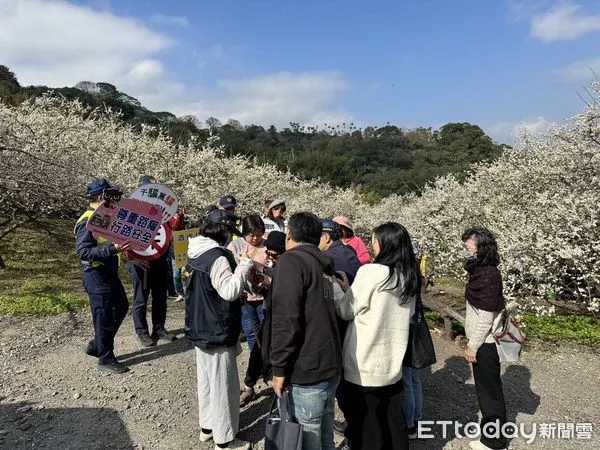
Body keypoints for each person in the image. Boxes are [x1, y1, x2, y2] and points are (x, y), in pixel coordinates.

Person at [336, 222, 419, 450]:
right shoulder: (408, 277)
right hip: (392, 365)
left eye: (374, 240)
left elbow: (345, 311)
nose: (371, 245)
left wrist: (342, 290)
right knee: (393, 422)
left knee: (367, 426)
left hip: (364, 364)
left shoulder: (371, 272)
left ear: (384, 244)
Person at [266, 212, 342, 450]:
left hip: (306, 368)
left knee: (308, 439)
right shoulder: (323, 264)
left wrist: (278, 368)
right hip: (329, 364)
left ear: (289, 235)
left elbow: (286, 320)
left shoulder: (292, 261)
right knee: (325, 436)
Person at [185, 214, 254, 450]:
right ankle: (225, 440)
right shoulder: (217, 257)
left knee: (206, 382)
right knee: (223, 386)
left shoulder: (196, 250)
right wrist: (245, 265)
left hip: (200, 325)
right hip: (216, 327)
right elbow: (229, 291)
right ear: (222, 232)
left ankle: (208, 428)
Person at [75, 178, 132, 374]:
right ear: (101, 196)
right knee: (103, 316)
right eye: (109, 195)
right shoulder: (87, 221)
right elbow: (84, 252)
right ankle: (105, 358)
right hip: (96, 274)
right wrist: (112, 249)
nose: (114, 199)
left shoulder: (106, 215)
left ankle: (98, 344)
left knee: (121, 307)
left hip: (109, 273)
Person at [462, 227, 507, 450]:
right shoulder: (480, 270)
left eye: (470, 241)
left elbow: (486, 317)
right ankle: (491, 437)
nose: (466, 245)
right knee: (487, 390)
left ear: (481, 244)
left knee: (489, 393)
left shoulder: (488, 275)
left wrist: (473, 345)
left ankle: (495, 441)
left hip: (485, 343)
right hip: (482, 341)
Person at [240, 230, 287, 407]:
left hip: (282, 321)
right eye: (267, 251)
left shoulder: (288, 266)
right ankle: (249, 386)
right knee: (257, 353)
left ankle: (281, 390)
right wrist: (261, 286)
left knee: (276, 355)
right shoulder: (276, 263)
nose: (268, 255)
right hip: (270, 317)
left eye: (272, 253)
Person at [128, 175, 176, 347]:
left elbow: (173, 229)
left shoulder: (162, 211)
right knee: (140, 298)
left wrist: (178, 215)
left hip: (160, 260)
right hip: (139, 261)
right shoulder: (130, 210)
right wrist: (132, 258)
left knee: (160, 296)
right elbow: (121, 237)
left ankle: (159, 328)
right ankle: (141, 331)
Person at [227, 215, 269, 352]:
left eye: (259, 234)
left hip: (265, 295)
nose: (256, 238)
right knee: (251, 332)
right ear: (244, 233)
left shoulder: (268, 244)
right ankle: (255, 360)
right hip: (245, 297)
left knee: (267, 329)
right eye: (252, 235)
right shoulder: (235, 246)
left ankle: (268, 359)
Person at [169, 206, 187, 302]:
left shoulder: (184, 220)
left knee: (186, 274)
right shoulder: (170, 219)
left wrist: (181, 217)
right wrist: (179, 217)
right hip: (174, 252)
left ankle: (187, 292)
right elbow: (175, 227)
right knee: (176, 275)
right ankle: (180, 293)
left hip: (185, 250)